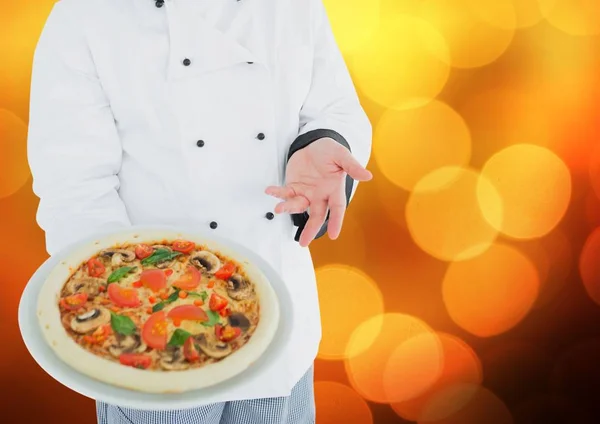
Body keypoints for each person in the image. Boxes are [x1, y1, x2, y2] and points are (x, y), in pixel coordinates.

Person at [27, 0, 372, 423]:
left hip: (280, 324)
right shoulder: (85, 15)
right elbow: (75, 185)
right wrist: (131, 310)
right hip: (152, 346)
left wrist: (323, 139)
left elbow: (336, 105)